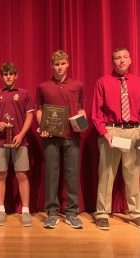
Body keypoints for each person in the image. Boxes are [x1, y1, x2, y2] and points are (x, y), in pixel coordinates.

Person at [36, 50, 85, 229]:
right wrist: (43, 127)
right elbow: (39, 110)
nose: (60, 67)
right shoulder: (43, 87)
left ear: (68, 64)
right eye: (56, 64)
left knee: (72, 174)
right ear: (52, 66)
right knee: (51, 174)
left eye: (63, 63)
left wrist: (82, 119)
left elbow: (81, 109)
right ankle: (52, 212)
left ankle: (72, 212)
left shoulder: (78, 85)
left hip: (72, 137)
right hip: (51, 137)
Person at [92, 47, 140, 230]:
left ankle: (135, 212)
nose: (121, 61)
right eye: (118, 58)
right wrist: (105, 134)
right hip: (111, 132)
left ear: (130, 61)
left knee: (133, 175)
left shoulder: (137, 82)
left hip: (134, 132)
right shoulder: (103, 82)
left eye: (125, 57)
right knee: (106, 174)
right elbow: (97, 112)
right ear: (113, 62)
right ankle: (102, 212)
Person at [0, 62, 34, 227]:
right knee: (1, 174)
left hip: (19, 141)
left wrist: (21, 134)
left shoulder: (24, 94)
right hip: (0, 141)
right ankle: (1, 210)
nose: (8, 76)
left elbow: (30, 116)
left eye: (11, 74)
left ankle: (26, 211)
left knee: (22, 175)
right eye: (5, 74)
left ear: (16, 76)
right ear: (1, 77)